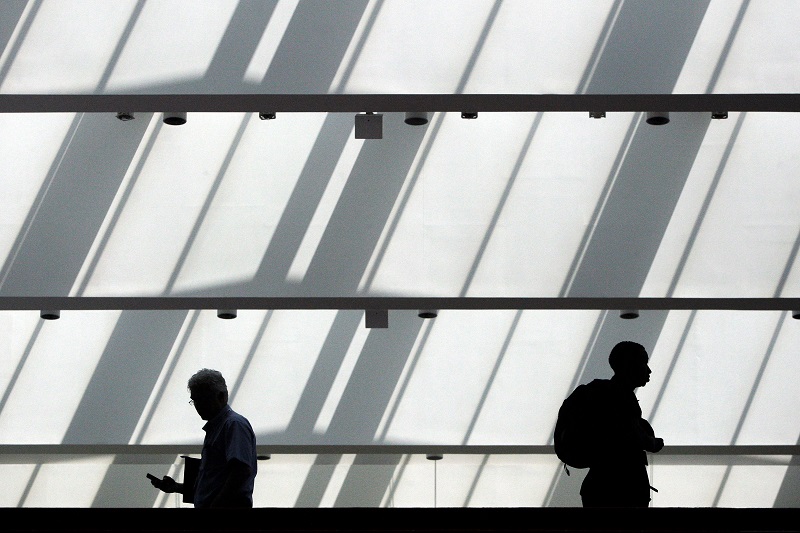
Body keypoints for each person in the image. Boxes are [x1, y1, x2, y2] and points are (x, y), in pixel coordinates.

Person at [149, 369, 257, 508]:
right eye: (195, 400)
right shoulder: (220, 427)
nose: (198, 406)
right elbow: (215, 483)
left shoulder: (233, 425)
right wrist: (177, 487)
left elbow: (240, 472)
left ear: (221, 396)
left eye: (203, 399)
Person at [579, 341, 664, 507]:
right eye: (643, 363)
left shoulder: (607, 395)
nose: (648, 370)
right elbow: (629, 435)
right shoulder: (619, 398)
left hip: (601, 485)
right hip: (620, 487)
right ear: (629, 366)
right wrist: (653, 442)